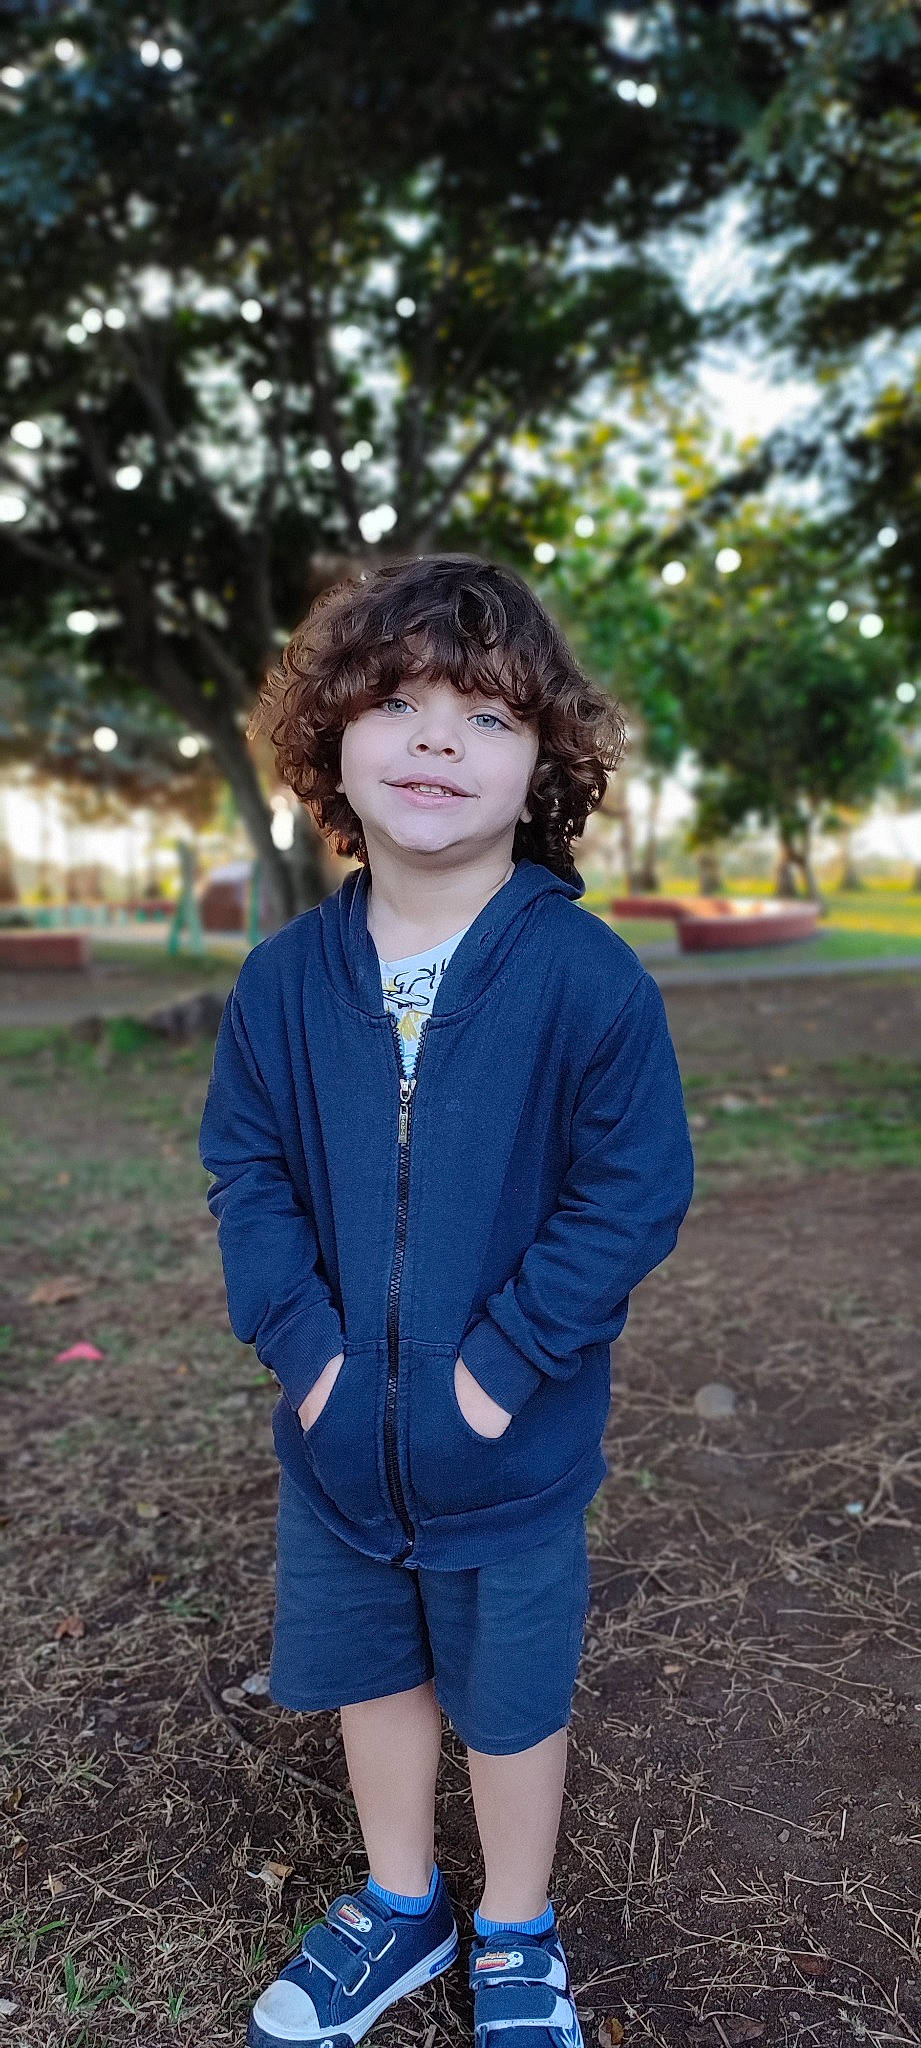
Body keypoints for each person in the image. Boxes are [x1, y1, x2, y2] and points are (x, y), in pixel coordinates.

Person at [199, 553, 694, 2048]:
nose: (434, 740)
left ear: (542, 764)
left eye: (483, 717)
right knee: (371, 1675)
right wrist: (311, 1359)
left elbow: (632, 1192)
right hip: (339, 1448)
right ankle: (402, 1906)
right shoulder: (284, 982)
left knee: (509, 1701)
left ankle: (517, 1929)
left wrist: (500, 1368)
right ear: (329, 739)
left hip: (511, 1451)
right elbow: (248, 1171)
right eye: (397, 702)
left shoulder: (583, 980)